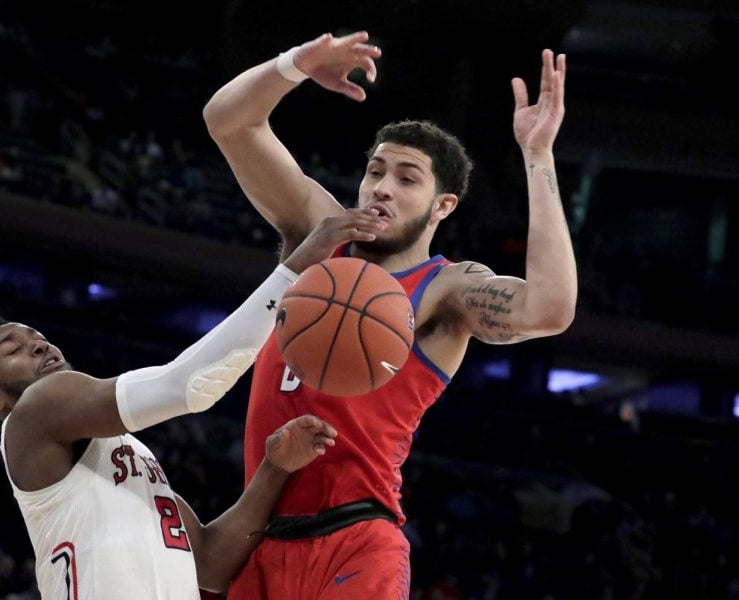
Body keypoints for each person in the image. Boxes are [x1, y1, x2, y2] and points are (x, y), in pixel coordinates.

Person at [203, 31, 577, 598]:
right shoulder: (318, 234)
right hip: (257, 538)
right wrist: (294, 64)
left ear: (442, 205)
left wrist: (538, 156)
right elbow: (228, 122)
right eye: (375, 171)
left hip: (356, 538)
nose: (381, 188)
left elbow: (549, 310)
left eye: (407, 179)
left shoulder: (448, 289)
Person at [0, 211, 390, 599]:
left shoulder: (127, 453)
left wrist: (274, 470)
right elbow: (188, 384)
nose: (38, 345)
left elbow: (211, 565)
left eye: (37, 336)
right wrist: (294, 272)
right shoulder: (35, 410)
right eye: (13, 348)